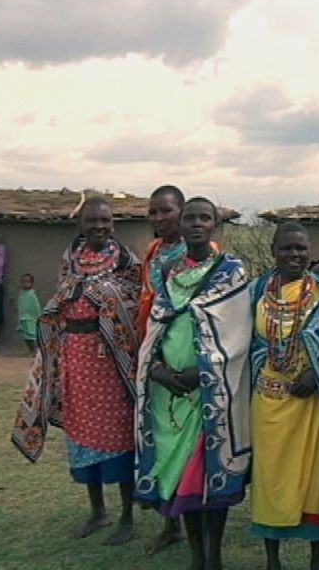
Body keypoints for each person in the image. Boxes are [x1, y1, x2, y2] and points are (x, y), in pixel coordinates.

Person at [11, 198, 142, 546]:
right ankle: (97, 510)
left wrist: (103, 296)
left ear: (113, 223)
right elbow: (64, 296)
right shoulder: (70, 258)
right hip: (74, 357)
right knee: (80, 435)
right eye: (92, 221)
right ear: (80, 225)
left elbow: (133, 301)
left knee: (118, 436)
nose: (99, 226)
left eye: (105, 220)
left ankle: (128, 515)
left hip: (112, 362)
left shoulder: (128, 260)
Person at [134, 197, 253, 570]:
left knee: (208, 480)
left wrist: (202, 372)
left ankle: (213, 557)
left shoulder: (231, 271)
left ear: (215, 225)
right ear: (181, 224)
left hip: (213, 393)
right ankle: (196, 556)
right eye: (191, 218)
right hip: (172, 394)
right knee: (182, 479)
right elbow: (158, 322)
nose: (197, 224)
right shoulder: (169, 270)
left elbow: (238, 334)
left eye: (205, 218)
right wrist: (159, 370)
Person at [250, 221, 319, 570]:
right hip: (268, 402)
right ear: (274, 251)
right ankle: (272, 558)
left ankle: (315, 559)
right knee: (269, 480)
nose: (295, 254)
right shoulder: (258, 290)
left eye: (301, 248)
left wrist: (318, 369)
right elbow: (245, 342)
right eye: (287, 248)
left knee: (312, 480)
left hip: (311, 403)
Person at [136, 184, 191, 555]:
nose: (158, 219)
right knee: (162, 438)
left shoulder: (201, 255)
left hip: (186, 358)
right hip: (153, 356)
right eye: (153, 212)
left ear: (182, 213)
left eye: (165, 211)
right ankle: (170, 523)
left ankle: (194, 520)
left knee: (189, 444)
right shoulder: (154, 253)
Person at [16, 273, 41, 355]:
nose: (25, 284)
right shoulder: (21, 293)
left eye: (28, 282)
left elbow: (35, 307)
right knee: (25, 336)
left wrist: (37, 317)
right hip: (23, 318)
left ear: (32, 283)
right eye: (23, 282)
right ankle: (30, 350)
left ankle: (35, 350)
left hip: (31, 318)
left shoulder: (32, 294)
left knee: (32, 335)